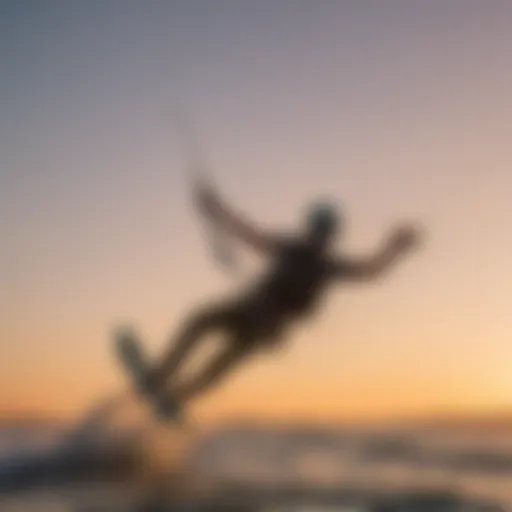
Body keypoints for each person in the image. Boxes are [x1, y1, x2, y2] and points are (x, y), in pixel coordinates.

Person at [137, 179, 422, 418]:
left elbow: (369, 270)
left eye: (323, 231)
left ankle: (181, 395)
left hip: (266, 329)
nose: (317, 235)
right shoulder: (287, 247)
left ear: (330, 235)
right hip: (244, 310)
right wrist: (214, 208)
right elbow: (245, 231)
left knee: (220, 363)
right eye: (316, 228)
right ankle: (161, 375)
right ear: (310, 227)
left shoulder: (327, 266)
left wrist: (395, 249)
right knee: (198, 321)